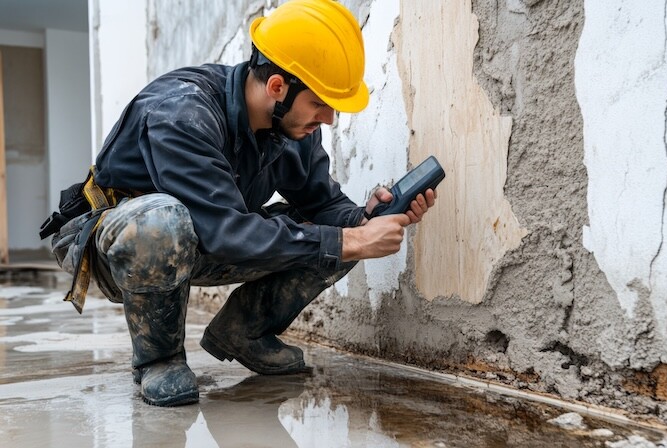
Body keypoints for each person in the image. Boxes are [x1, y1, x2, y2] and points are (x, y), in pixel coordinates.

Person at [40, 0, 436, 407]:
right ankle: (158, 360)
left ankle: (245, 331)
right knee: (163, 221)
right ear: (278, 87)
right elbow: (226, 232)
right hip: (119, 243)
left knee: (344, 234)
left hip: (204, 236)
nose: (330, 118)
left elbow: (323, 205)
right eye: (320, 104)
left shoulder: (290, 126)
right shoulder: (182, 113)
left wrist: (369, 217)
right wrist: (350, 240)